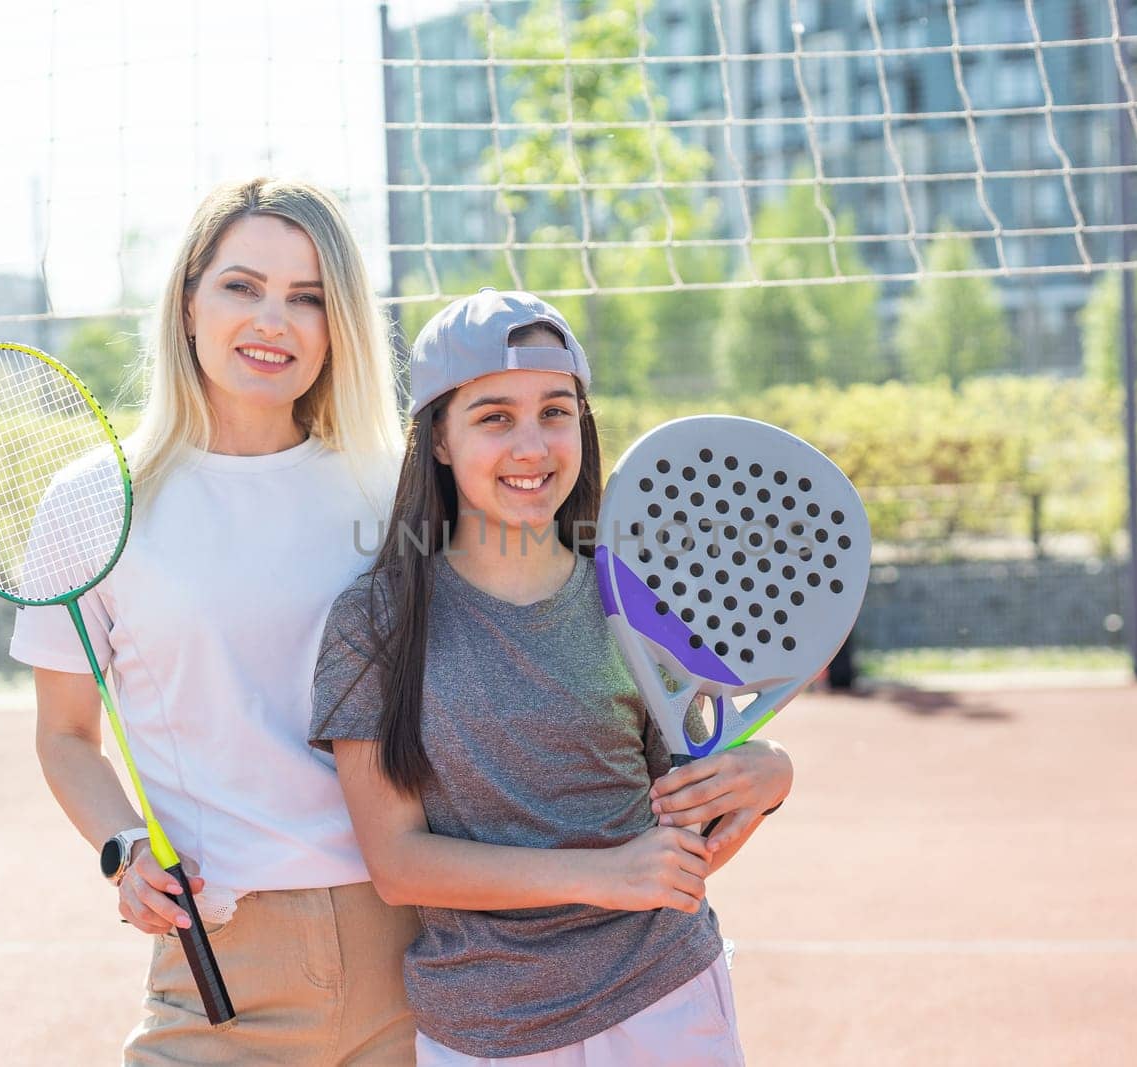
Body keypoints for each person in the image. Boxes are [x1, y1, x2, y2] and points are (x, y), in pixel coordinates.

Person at [311, 288, 794, 1065]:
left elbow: (684, 836)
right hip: (488, 1030)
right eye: (494, 416)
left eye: (556, 411)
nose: (532, 446)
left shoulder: (640, 597)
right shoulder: (375, 621)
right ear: (438, 438)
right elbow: (398, 865)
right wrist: (606, 875)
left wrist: (765, 776)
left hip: (666, 998)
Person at [10, 177, 419, 1064]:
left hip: (416, 946)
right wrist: (123, 848)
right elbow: (67, 735)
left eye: (307, 298)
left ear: (338, 323)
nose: (274, 320)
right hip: (219, 965)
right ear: (189, 299)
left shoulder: (399, 489)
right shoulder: (95, 502)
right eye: (243, 285)